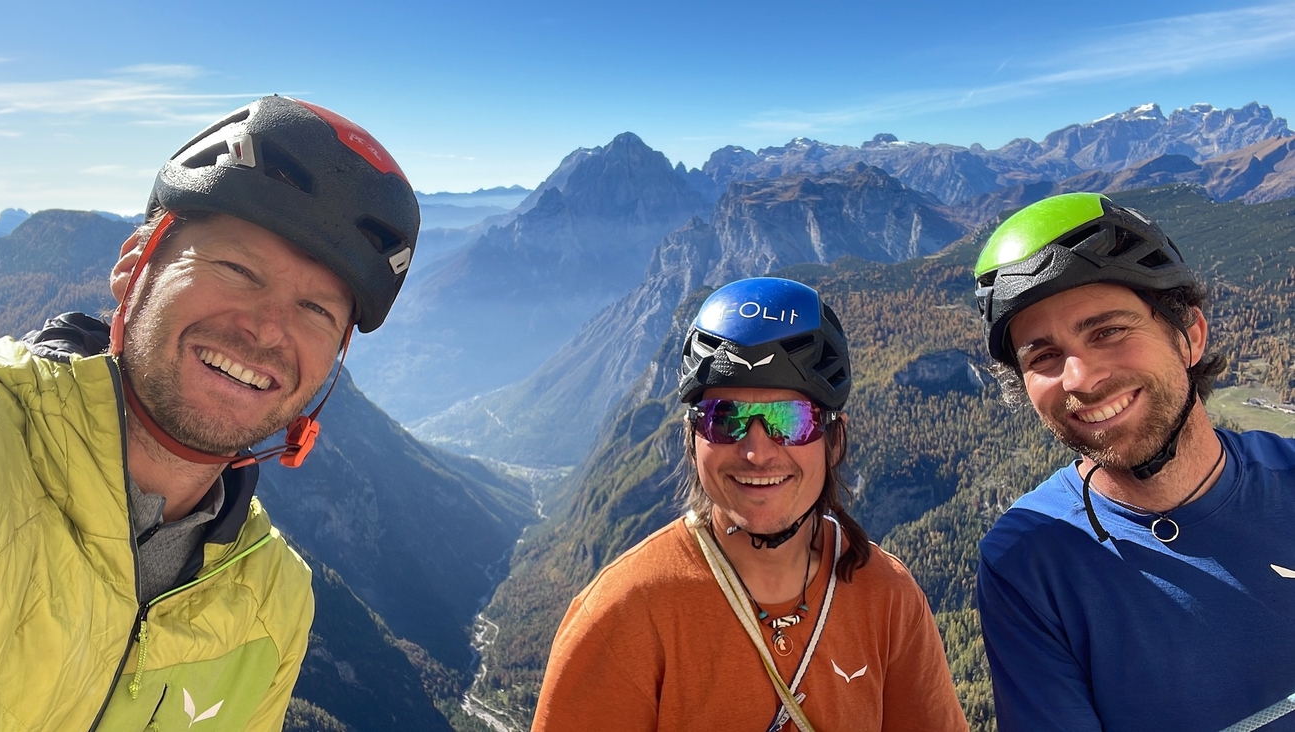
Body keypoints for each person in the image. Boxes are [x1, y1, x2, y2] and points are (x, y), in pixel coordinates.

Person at [0, 96, 418, 730]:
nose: (268, 330)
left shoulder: (274, 603)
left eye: (317, 310)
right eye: (237, 268)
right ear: (135, 265)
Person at [533, 277, 968, 731]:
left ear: (833, 442)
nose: (757, 452)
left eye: (790, 420)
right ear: (692, 439)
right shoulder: (622, 616)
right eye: (726, 420)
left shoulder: (890, 601)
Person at [972, 192, 1295, 731]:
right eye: (1044, 356)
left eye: (1108, 332)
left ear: (1189, 335)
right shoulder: (1031, 563)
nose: (1081, 378)